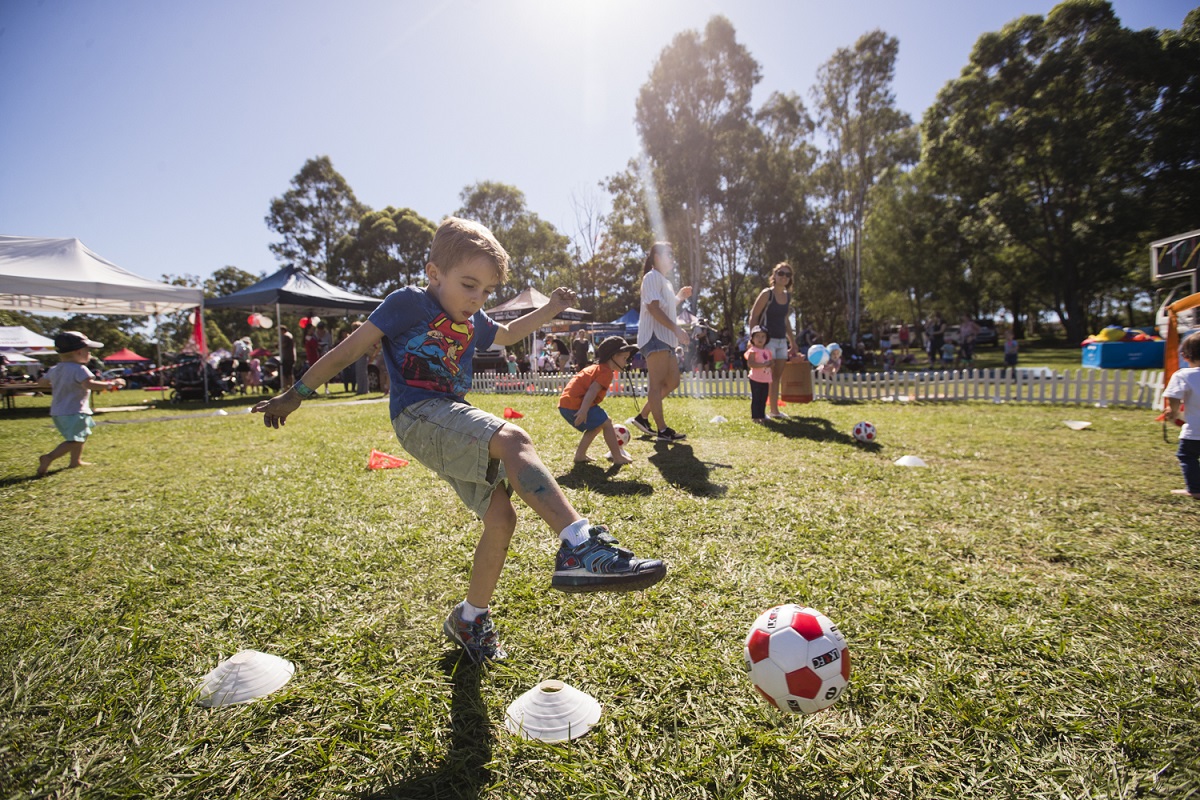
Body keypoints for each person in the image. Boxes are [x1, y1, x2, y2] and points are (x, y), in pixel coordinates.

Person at [252, 217, 666, 663]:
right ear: (434, 274)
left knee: (502, 518)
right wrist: (297, 394)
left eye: (486, 291)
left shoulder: (474, 316)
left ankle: (470, 619)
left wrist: (549, 310)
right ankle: (580, 545)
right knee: (513, 438)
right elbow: (349, 349)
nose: (477, 299)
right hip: (418, 414)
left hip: (448, 419)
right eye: (469, 285)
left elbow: (507, 334)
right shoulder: (408, 303)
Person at [36, 331, 125, 477]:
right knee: (76, 439)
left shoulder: (55, 369)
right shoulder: (80, 369)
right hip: (75, 410)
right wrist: (112, 384)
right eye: (88, 351)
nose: (90, 354)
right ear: (79, 352)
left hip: (58, 412)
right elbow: (90, 385)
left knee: (79, 436)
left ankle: (75, 461)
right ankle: (49, 457)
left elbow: (41, 382)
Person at [628, 242, 692, 441]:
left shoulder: (664, 281)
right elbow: (654, 309)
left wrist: (679, 297)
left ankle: (642, 417)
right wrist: (677, 329)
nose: (672, 258)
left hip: (665, 339)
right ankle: (662, 430)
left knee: (673, 381)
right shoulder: (651, 277)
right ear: (656, 256)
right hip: (655, 337)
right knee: (656, 385)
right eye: (668, 254)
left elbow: (665, 306)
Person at [559, 336, 637, 465]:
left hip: (566, 404)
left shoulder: (597, 368)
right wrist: (583, 410)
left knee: (597, 426)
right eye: (624, 358)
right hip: (576, 404)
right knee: (607, 422)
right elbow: (592, 391)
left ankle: (580, 455)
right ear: (613, 356)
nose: (626, 362)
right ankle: (617, 457)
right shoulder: (606, 372)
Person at [747, 262, 799, 419]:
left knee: (776, 377)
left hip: (781, 341)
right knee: (765, 377)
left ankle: (774, 411)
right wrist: (753, 339)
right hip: (767, 341)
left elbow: (786, 320)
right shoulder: (767, 294)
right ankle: (760, 412)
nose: (784, 277)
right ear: (774, 276)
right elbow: (754, 316)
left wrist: (793, 342)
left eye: (787, 275)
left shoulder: (787, 296)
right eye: (781, 273)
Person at [1164, 332, 1200, 498]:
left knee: (1187, 455)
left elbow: (1174, 396)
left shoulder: (1184, 375)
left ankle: (1195, 489)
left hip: (1195, 430)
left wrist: (1173, 411)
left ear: (1184, 356)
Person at [744, 327, 772, 424]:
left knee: (763, 398)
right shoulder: (753, 350)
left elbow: (772, 362)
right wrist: (763, 365)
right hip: (755, 378)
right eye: (757, 336)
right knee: (756, 398)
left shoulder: (767, 351)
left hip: (765, 379)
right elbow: (750, 364)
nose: (760, 339)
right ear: (752, 338)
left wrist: (771, 364)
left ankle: (762, 416)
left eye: (763, 336)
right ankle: (755, 417)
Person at [279, 325, 296, 390]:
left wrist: (278, 346)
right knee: (289, 373)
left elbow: (284, 345)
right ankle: (290, 386)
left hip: (287, 357)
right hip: (290, 357)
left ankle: (286, 387)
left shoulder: (286, 336)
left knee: (286, 373)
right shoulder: (289, 335)